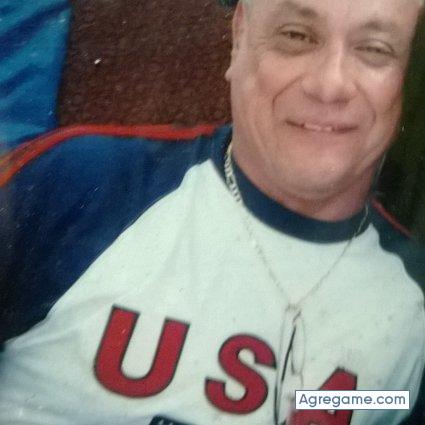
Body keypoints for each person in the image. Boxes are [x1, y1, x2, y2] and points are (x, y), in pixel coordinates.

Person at [0, 0, 424, 424]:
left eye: (375, 49)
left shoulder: (413, 308)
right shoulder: (78, 184)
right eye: (296, 36)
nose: (329, 85)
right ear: (240, 37)